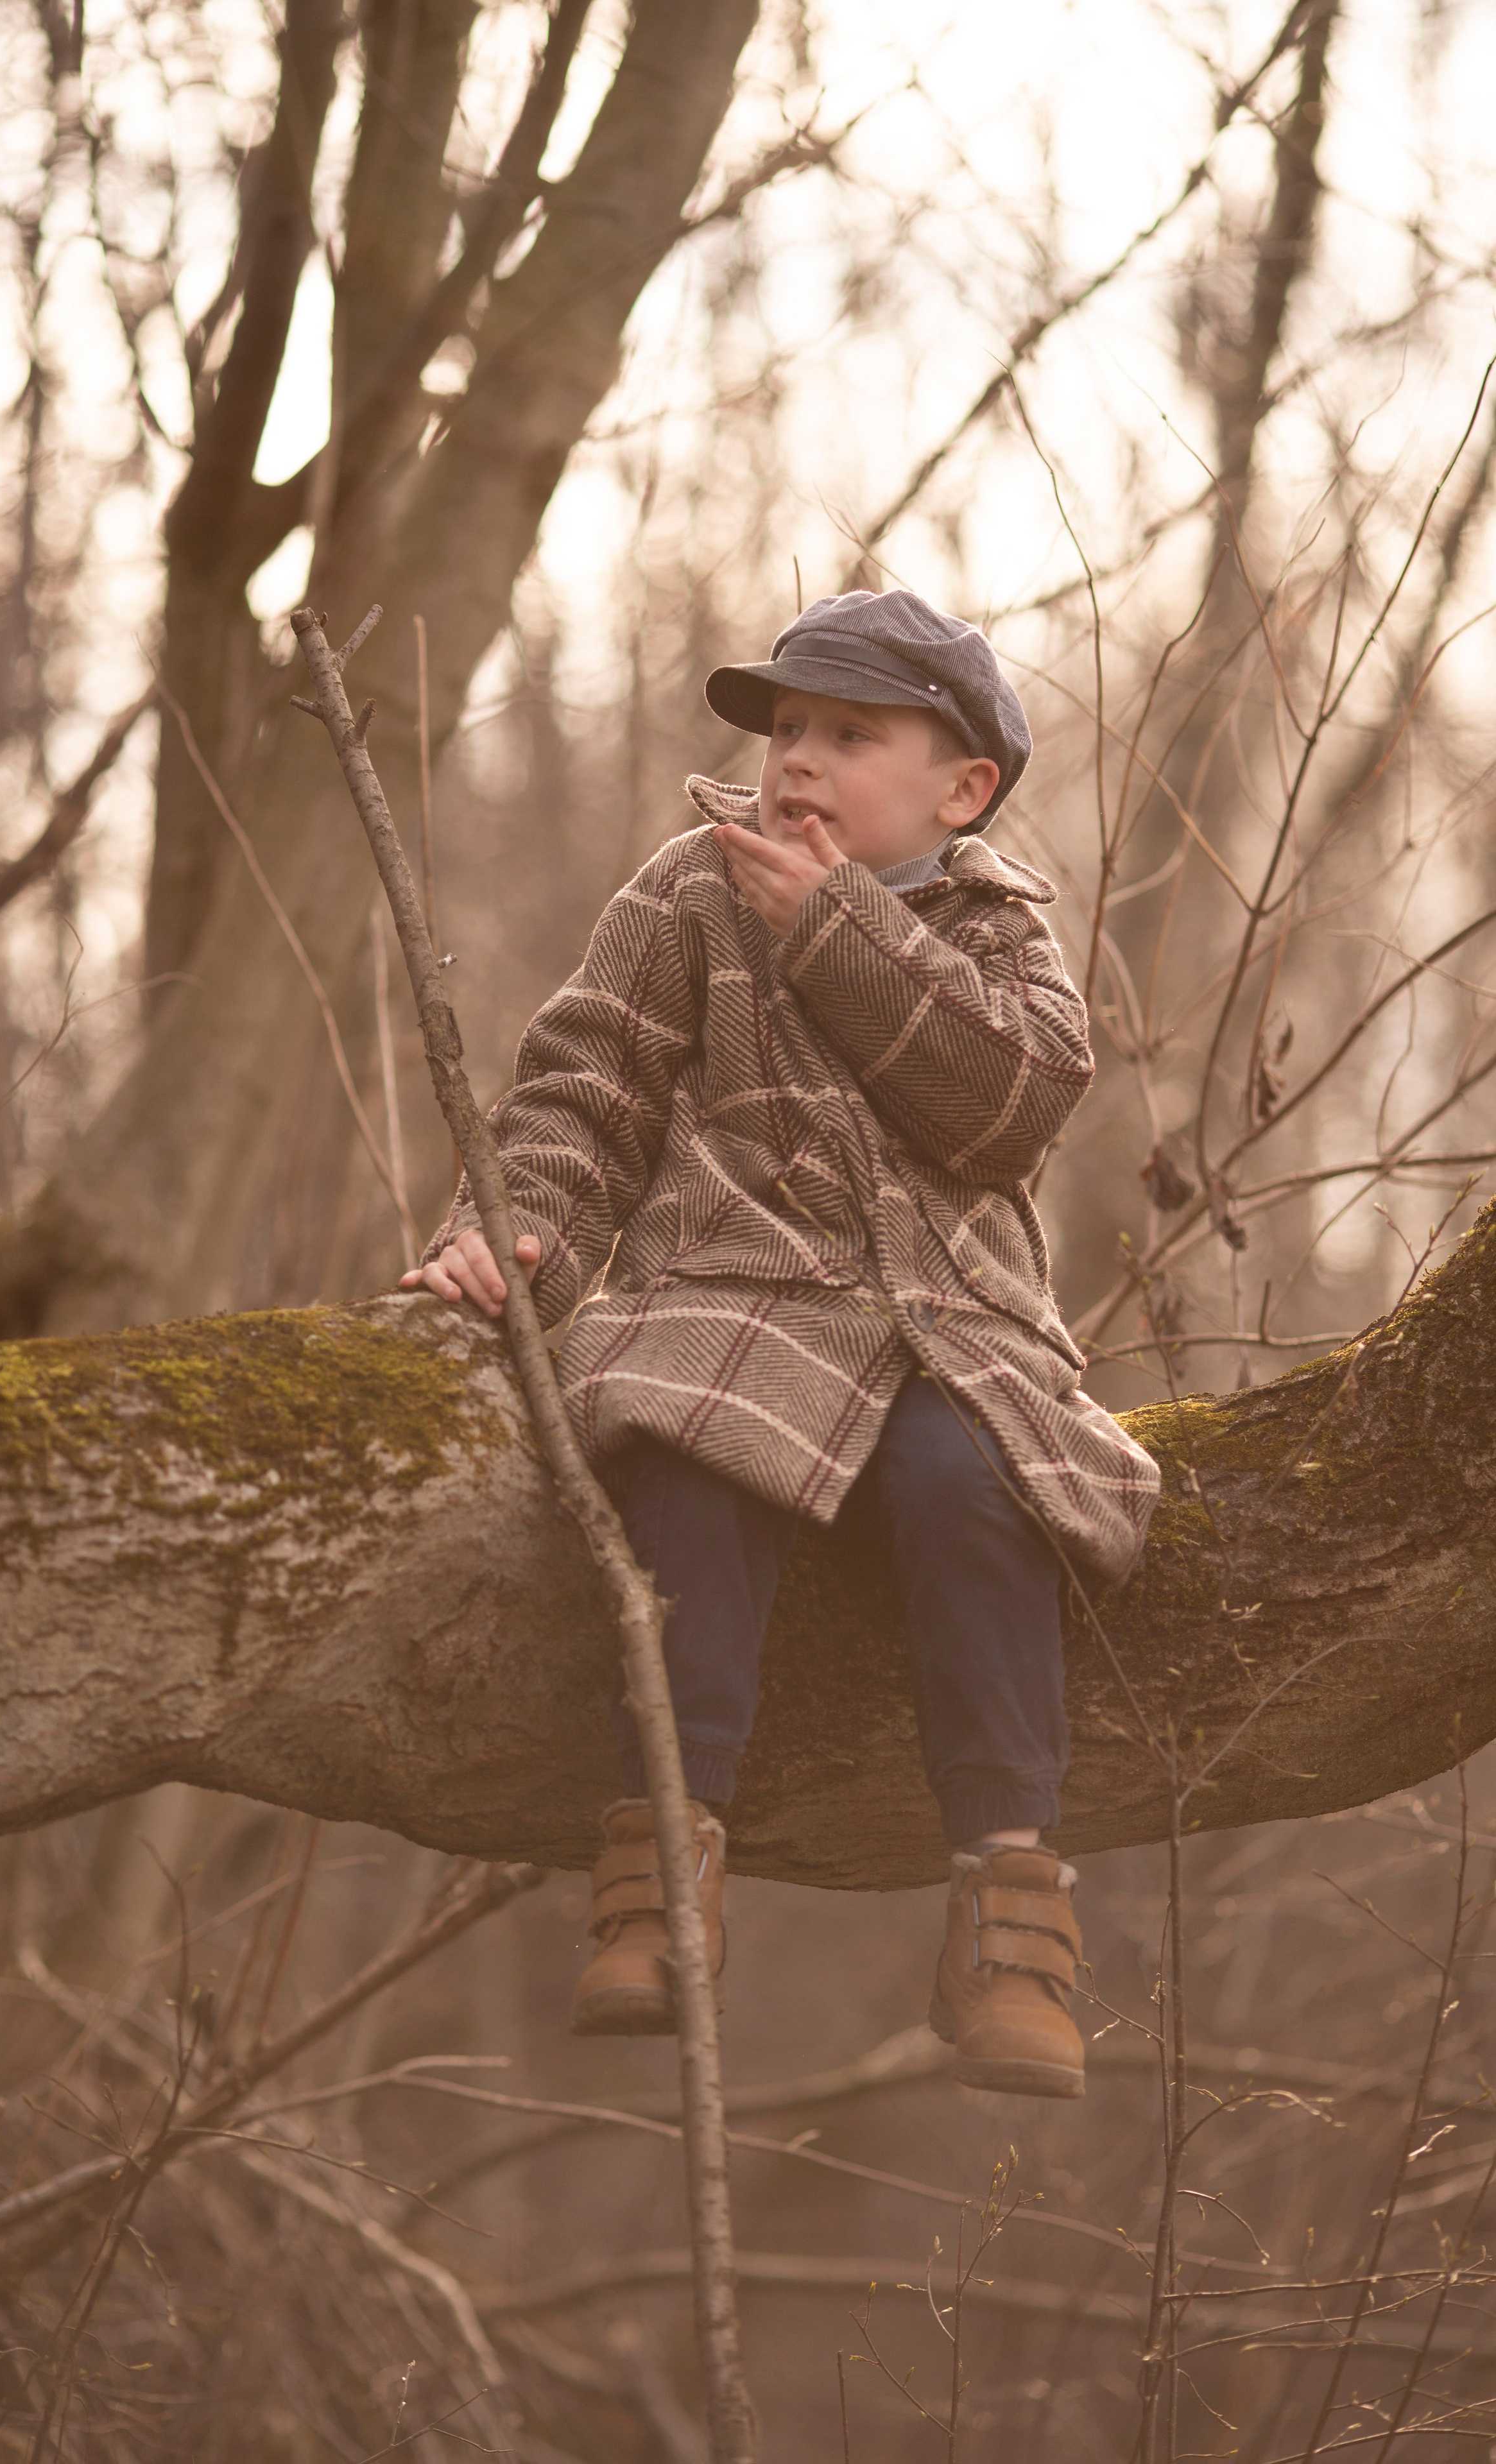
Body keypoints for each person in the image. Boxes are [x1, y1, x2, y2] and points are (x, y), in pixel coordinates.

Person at [401, 588, 1160, 2098]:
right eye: (785, 731)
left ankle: (1007, 1905)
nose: (797, 761)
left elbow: (1007, 1099)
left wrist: (835, 930)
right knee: (691, 1455)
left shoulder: (1004, 929)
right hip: (731, 1297)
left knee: (977, 1487)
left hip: (953, 1324)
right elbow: (583, 1085)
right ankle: (658, 1878)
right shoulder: (687, 890)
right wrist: (522, 1237)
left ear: (961, 791)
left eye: (848, 736)